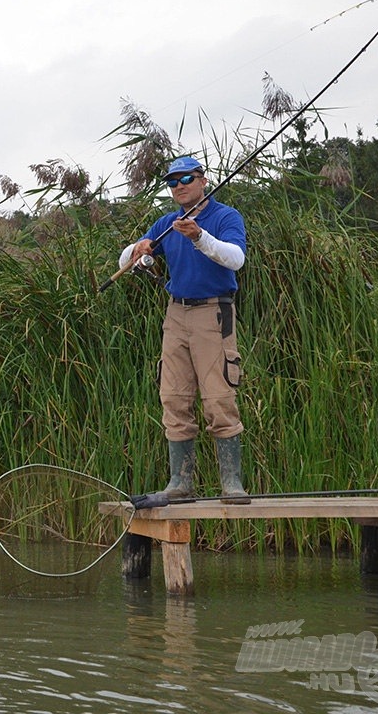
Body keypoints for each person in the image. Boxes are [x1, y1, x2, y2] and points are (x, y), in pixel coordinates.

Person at [119, 156, 250, 503]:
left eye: (186, 179)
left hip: (214, 312)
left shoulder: (225, 217)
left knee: (219, 398)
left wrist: (200, 236)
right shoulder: (166, 222)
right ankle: (180, 483)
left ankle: (231, 484)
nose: (179, 186)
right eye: (172, 182)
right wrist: (137, 248)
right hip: (175, 315)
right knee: (173, 398)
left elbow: (236, 258)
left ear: (203, 181)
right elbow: (123, 262)